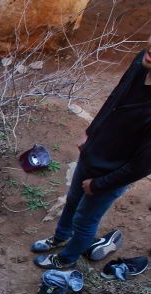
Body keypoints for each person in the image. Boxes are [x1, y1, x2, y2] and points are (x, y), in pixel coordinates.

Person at [32, 35, 151, 269]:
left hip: (110, 174)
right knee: (72, 202)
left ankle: (66, 259)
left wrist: (100, 184)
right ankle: (60, 237)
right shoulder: (143, 60)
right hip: (93, 153)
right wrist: (91, 131)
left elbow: (142, 166)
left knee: (85, 220)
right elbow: (116, 98)